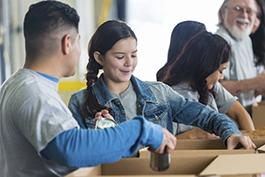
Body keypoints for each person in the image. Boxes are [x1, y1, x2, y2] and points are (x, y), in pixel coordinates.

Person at [0, 1, 178, 177]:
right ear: (67, 43)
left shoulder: (15, 85)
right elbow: (69, 147)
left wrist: (104, 133)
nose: (79, 52)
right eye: (79, 42)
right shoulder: (36, 93)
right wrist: (141, 130)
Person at [68, 20, 256, 153]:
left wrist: (231, 134)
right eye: (120, 57)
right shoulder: (80, 102)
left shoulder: (159, 93)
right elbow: (75, 154)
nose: (129, 63)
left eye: (133, 55)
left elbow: (209, 117)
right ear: (99, 58)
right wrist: (100, 136)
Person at [157, 21, 255, 135]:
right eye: (220, 71)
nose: (222, 76)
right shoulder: (176, 96)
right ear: (206, 63)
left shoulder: (209, 83)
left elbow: (240, 113)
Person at [216, 0, 265, 114]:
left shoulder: (246, 39)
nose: (244, 15)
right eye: (238, 9)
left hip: (250, 111)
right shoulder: (219, 42)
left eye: (250, 11)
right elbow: (213, 89)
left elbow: (245, 86)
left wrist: (259, 88)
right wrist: (256, 82)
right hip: (229, 117)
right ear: (223, 13)